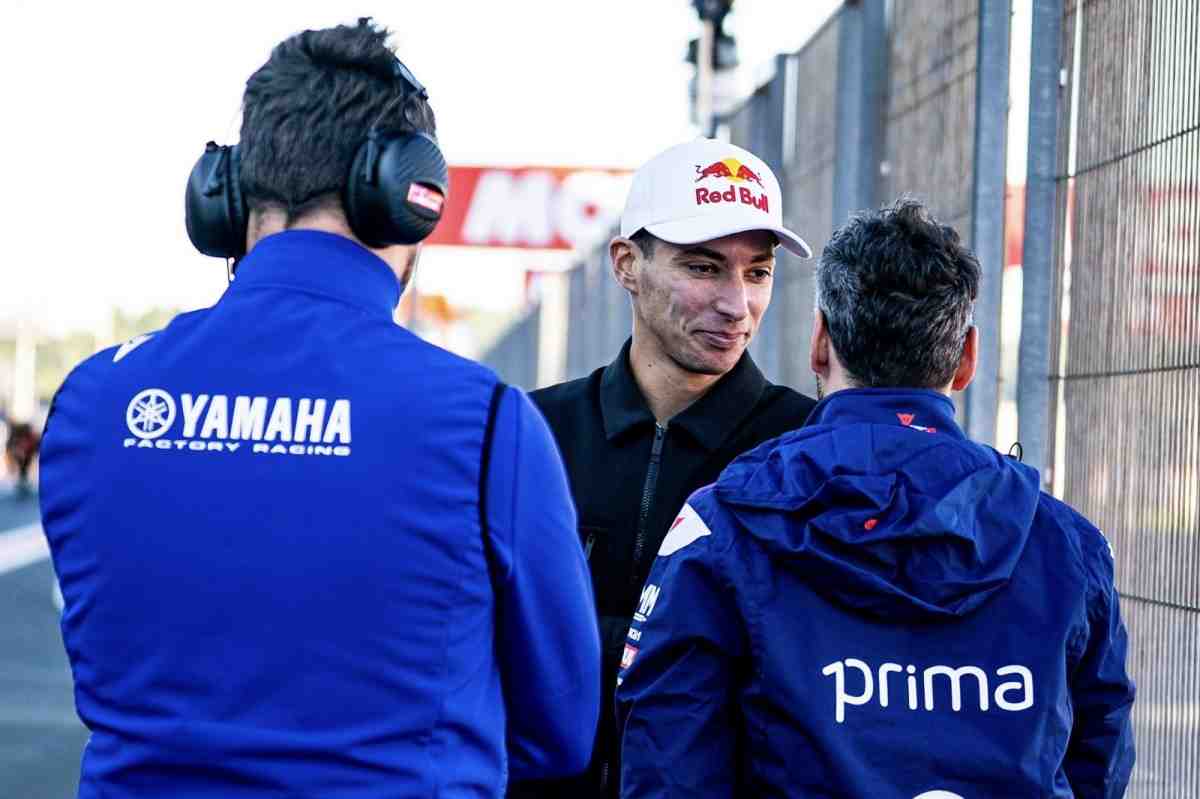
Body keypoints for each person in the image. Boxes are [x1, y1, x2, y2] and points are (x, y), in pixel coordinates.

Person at [39, 19, 599, 798]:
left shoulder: (92, 399)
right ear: (407, 194)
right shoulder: (485, 424)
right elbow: (560, 730)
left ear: (225, 194)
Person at [615, 198, 1136, 797]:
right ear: (966, 358)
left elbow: (667, 755)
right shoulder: (1066, 544)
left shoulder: (723, 526)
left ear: (820, 343)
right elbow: (1099, 757)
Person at [513, 139, 818, 799]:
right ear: (627, 263)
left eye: (758, 272)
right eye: (704, 267)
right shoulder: (532, 432)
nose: (736, 304)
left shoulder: (804, 449)